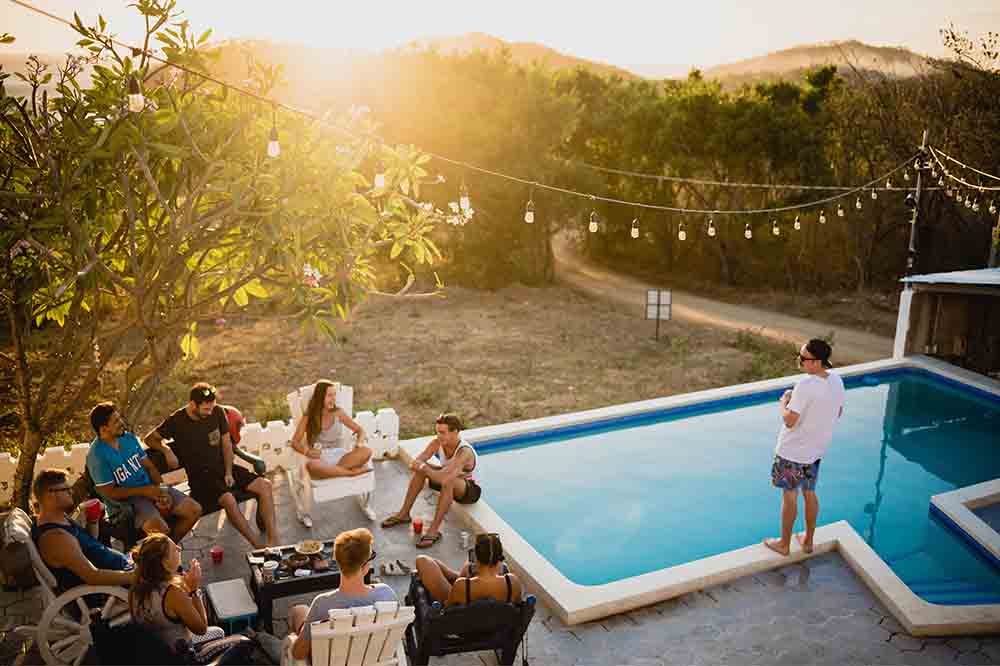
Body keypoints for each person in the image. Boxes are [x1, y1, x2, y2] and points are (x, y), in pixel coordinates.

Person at [144, 383, 278, 548]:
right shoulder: (177, 420)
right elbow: (149, 438)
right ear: (193, 404)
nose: (210, 412)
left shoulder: (217, 411)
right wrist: (165, 450)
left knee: (265, 485)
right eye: (206, 409)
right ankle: (258, 546)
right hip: (201, 478)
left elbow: (227, 445)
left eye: (212, 407)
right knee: (229, 499)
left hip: (223, 468)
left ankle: (274, 542)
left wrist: (229, 472)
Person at [763, 338, 846, 557]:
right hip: (815, 451)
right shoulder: (837, 380)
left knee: (789, 496)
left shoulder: (805, 386)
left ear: (817, 362)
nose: (799, 362)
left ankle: (784, 544)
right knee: (809, 492)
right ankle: (808, 541)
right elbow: (837, 412)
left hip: (792, 452)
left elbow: (789, 421)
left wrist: (784, 402)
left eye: (803, 359)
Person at [86, 402, 201, 542]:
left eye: (120, 418)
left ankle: (169, 549)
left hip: (151, 490)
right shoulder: (96, 456)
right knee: (161, 531)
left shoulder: (128, 438)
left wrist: (162, 490)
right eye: (116, 421)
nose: (122, 422)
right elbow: (110, 492)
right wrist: (144, 491)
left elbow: (150, 467)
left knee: (194, 510)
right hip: (127, 504)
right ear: (104, 429)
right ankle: (163, 553)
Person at [289, 528, 396, 664]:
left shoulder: (322, 604)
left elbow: (298, 654)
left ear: (338, 563)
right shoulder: (386, 594)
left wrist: (298, 634)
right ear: (366, 566)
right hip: (373, 657)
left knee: (298, 610)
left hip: (331, 659)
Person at [381, 414, 481, 548]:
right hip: (446, 477)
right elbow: (416, 463)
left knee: (447, 480)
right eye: (437, 432)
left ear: (455, 431)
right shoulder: (437, 442)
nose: (438, 436)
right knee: (424, 472)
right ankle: (404, 514)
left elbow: (444, 477)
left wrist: (423, 467)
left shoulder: (464, 452)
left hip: (468, 490)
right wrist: (422, 467)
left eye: (442, 432)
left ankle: (433, 531)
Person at [32, 468, 135, 593]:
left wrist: (93, 520)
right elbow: (92, 576)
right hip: (115, 588)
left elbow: (89, 545)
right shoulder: (55, 537)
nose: (72, 492)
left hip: (125, 566)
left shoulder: (60, 518)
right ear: (50, 494)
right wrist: (136, 576)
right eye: (66, 489)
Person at [129, 533, 227, 661]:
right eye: (175, 548)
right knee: (224, 635)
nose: (180, 548)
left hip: (155, 653)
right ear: (164, 563)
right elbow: (201, 629)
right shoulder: (172, 594)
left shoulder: (135, 587)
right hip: (179, 657)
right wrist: (194, 590)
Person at [289, 380, 373, 527]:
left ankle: (339, 471)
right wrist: (307, 451)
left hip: (340, 457)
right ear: (320, 397)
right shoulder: (309, 416)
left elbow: (360, 430)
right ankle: (351, 473)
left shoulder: (338, 413)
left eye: (334, 395)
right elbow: (294, 442)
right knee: (313, 467)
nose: (333, 399)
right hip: (320, 458)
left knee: (367, 451)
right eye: (329, 395)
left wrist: (359, 443)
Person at [414, 533, 522, 606]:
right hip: (496, 627)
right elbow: (516, 606)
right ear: (499, 560)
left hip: (465, 628)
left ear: (476, 558)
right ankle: (457, 574)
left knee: (422, 560)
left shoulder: (462, 586)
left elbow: (448, 610)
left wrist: (463, 576)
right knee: (437, 565)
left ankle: (459, 573)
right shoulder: (512, 582)